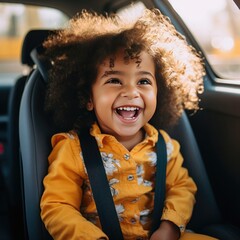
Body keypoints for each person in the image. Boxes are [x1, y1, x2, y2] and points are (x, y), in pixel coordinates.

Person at [40, 8, 217, 240]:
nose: (131, 92)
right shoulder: (73, 149)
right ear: (88, 98)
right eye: (114, 80)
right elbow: (58, 206)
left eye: (143, 80)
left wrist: (170, 226)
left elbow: (182, 188)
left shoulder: (165, 145)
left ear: (159, 91)